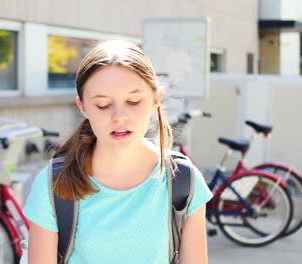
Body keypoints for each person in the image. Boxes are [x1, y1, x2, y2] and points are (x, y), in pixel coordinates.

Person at [23, 39, 213, 263]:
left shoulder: (183, 181)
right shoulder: (53, 184)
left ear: (156, 100)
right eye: (102, 105)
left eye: (133, 101)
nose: (119, 116)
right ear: (82, 106)